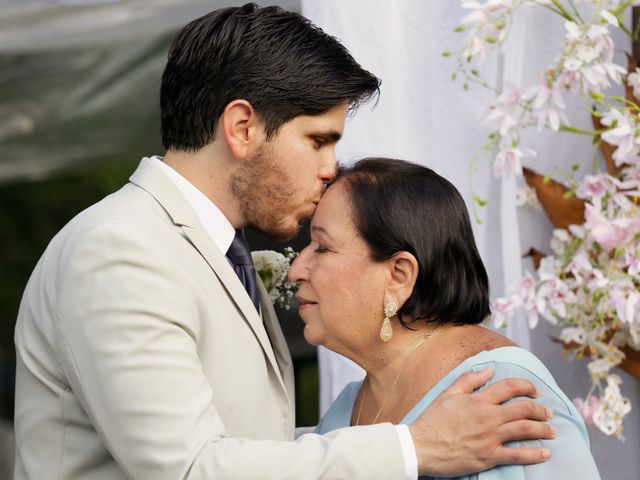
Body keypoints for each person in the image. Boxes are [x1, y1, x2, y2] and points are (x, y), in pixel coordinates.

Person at [13, 4, 555, 480]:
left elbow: (249, 446)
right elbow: (190, 469)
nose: (330, 169)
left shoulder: (213, 249)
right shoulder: (120, 251)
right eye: (318, 140)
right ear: (243, 127)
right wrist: (416, 447)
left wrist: (412, 418)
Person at [289, 157, 601, 479]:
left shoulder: (505, 391)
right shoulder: (346, 409)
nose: (295, 270)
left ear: (399, 275)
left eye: (322, 247)